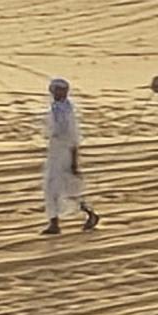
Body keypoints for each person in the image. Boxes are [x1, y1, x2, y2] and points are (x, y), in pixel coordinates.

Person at [38, 76, 99, 236]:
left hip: (65, 151)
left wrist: (74, 160)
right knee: (51, 187)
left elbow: (73, 136)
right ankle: (54, 222)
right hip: (55, 151)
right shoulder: (55, 108)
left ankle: (89, 213)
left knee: (68, 188)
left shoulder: (67, 110)